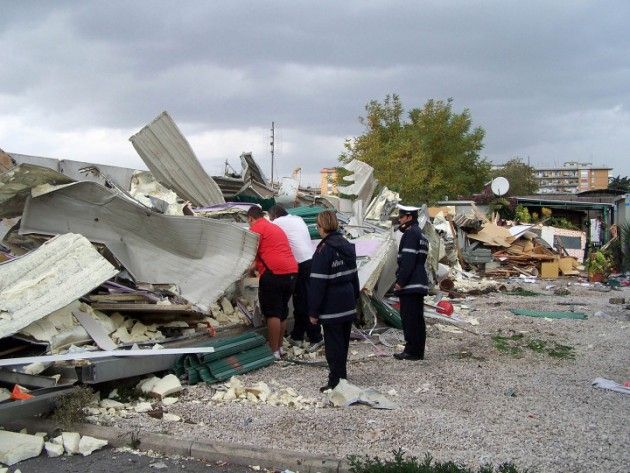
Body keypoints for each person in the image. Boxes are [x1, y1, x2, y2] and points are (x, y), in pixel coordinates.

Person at [308, 210, 360, 392]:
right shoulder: (346, 245)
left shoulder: (324, 250)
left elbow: (317, 283)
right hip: (347, 301)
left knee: (332, 345)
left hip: (332, 304)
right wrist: (355, 300)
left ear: (323, 227)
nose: (318, 229)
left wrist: (313, 311)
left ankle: (335, 381)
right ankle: (342, 376)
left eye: (318, 226)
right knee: (343, 343)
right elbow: (355, 276)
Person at [268, 205, 323, 352]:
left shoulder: (277, 222)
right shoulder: (297, 219)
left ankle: (316, 337)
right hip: (310, 261)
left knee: (303, 301)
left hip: (301, 264)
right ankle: (297, 336)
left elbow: (265, 232)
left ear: (274, 215)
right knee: (301, 300)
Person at [247, 205, 298, 360]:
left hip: (274, 273)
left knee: (272, 313)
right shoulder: (274, 228)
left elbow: (251, 257)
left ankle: (273, 351)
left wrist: (244, 272)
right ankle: (280, 347)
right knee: (282, 312)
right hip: (291, 272)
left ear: (250, 219)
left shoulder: (255, 229)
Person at [393, 204, 429, 361]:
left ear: (408, 217)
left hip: (411, 283)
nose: (399, 220)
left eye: (401, 217)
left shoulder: (410, 235)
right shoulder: (420, 234)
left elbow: (407, 261)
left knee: (409, 318)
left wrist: (400, 282)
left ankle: (411, 351)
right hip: (419, 281)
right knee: (417, 318)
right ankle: (417, 350)